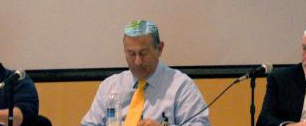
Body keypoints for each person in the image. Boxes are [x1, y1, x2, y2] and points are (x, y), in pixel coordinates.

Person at [81, 21, 211, 126]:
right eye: (131, 54)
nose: (137, 62)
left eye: (143, 53)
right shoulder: (109, 86)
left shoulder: (181, 87)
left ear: (159, 49)